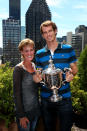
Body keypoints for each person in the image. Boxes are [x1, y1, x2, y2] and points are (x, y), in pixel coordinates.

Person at [33, 20, 78, 131]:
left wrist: (71, 74)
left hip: (65, 98)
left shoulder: (68, 49)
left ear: (55, 31)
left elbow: (75, 68)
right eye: (45, 32)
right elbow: (38, 72)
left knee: (65, 128)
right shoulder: (39, 53)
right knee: (49, 128)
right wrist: (36, 78)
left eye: (50, 31)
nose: (48, 34)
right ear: (43, 35)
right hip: (46, 99)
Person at [13, 38, 40, 131]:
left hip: (35, 111)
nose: (29, 53)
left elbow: (35, 88)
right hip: (25, 113)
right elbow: (16, 94)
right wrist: (21, 116)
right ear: (22, 52)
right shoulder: (18, 69)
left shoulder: (34, 65)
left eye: (31, 50)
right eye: (26, 51)